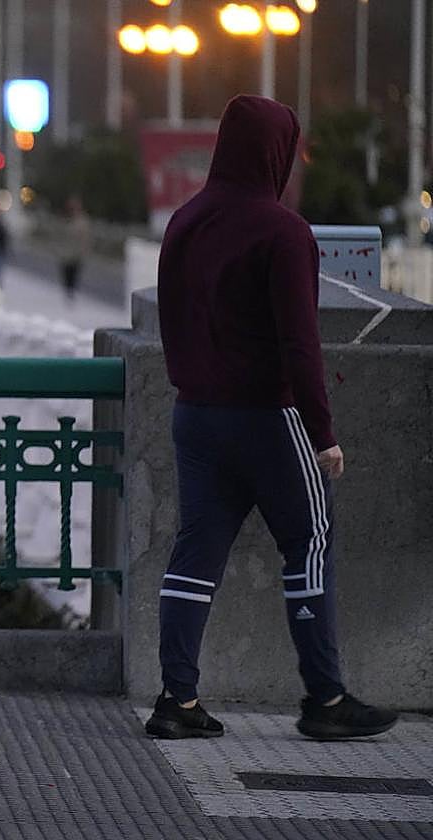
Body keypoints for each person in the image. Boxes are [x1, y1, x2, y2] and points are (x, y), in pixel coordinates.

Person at [147, 94, 398, 741]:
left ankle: (176, 698)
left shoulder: (185, 221)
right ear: (276, 153)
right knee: (308, 542)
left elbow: (171, 318)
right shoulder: (283, 231)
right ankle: (326, 699)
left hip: (194, 415)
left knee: (194, 553)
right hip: (267, 417)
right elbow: (299, 343)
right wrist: (323, 433)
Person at [58, 194, 91, 302]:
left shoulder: (82, 221)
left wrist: (84, 251)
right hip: (66, 253)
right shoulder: (65, 219)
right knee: (66, 274)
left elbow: (85, 238)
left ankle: (71, 293)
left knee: (73, 274)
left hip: (76, 254)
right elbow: (59, 235)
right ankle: (68, 292)